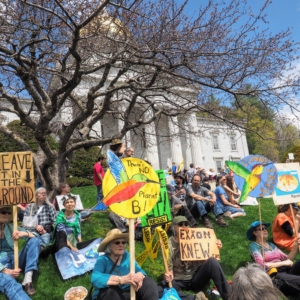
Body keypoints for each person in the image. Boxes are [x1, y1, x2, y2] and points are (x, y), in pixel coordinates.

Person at [158, 216, 230, 300]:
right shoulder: (168, 244)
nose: (184, 226)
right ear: (174, 227)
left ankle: (230, 297)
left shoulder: (195, 238)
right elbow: (170, 270)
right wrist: (169, 275)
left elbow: (205, 255)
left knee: (213, 262)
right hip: (178, 280)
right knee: (158, 291)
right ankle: (195, 298)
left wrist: (215, 246)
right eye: (181, 224)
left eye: (186, 224)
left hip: (196, 277)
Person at [91, 228, 158, 300]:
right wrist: (122, 280)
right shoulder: (103, 259)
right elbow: (95, 278)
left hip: (128, 292)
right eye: (117, 242)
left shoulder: (127, 256)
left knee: (148, 283)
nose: (121, 245)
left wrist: (139, 275)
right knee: (111, 291)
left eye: (123, 242)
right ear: (109, 245)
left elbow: (140, 271)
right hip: (110, 296)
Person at [248, 220, 300, 295]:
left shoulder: (271, 245)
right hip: (274, 274)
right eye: (261, 229)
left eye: (265, 228)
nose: (265, 230)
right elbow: (261, 264)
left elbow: (287, 259)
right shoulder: (254, 246)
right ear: (255, 233)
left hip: (286, 270)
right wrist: (283, 263)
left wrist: (295, 247)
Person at [0, 205, 40, 297]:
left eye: (9, 212)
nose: (7, 214)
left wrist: (24, 233)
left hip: (15, 258)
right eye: (3, 212)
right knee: (10, 283)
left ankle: (27, 278)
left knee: (34, 240)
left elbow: (37, 237)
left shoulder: (11, 227)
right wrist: (4, 270)